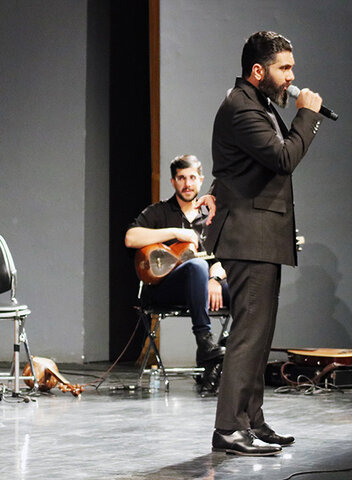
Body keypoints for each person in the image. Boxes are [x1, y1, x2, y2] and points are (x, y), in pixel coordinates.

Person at [206, 31, 323, 456]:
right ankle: (229, 428)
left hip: (260, 238)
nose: (292, 76)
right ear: (259, 71)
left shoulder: (259, 105)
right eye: (284, 67)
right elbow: (283, 159)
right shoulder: (241, 108)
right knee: (247, 336)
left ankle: (251, 420)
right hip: (246, 238)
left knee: (259, 334)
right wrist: (307, 116)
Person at [126, 154, 229, 366]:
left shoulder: (212, 217)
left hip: (205, 286)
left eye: (192, 178)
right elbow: (130, 238)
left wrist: (215, 279)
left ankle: (223, 357)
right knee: (197, 265)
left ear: (201, 180)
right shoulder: (158, 212)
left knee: (247, 288)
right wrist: (175, 232)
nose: (187, 184)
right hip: (166, 289)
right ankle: (205, 341)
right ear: (173, 182)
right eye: (181, 178)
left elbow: (224, 258)